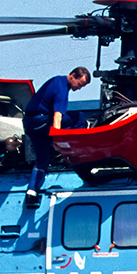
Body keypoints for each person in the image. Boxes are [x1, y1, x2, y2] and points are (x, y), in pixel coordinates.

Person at [23, 67, 91, 205]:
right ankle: (77, 153)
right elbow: (57, 117)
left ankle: (32, 192)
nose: (79, 89)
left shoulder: (55, 80)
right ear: (72, 76)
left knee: (42, 160)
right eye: (79, 84)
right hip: (42, 122)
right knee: (79, 118)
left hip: (30, 124)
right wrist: (57, 140)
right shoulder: (62, 89)